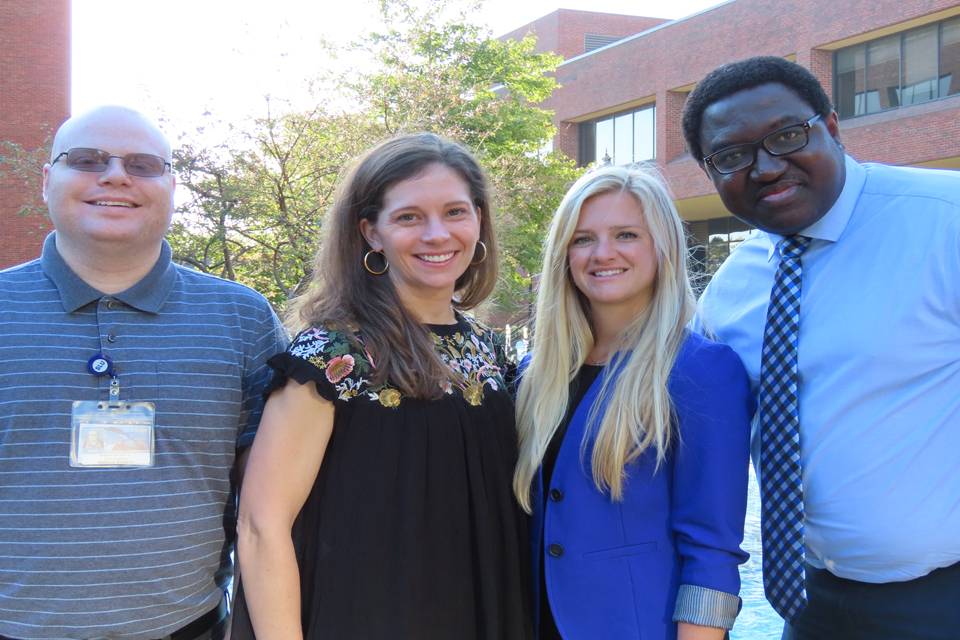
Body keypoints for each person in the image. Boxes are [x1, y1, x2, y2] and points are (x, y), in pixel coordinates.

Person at [684, 55, 960, 639]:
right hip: (809, 605)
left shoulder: (945, 222)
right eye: (732, 156)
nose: (766, 167)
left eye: (786, 136)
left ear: (831, 127)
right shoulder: (729, 291)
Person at [0, 105, 286, 640]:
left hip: (190, 628)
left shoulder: (243, 319)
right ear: (46, 181)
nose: (115, 175)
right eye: (86, 159)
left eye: (143, 164)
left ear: (172, 186)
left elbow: (277, 497)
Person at [236, 133, 534, 640]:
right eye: (409, 217)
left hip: (484, 610)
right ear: (371, 233)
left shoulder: (488, 349)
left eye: (456, 212)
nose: (437, 234)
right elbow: (262, 527)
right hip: (365, 614)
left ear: (479, 221)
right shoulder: (333, 353)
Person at [513, 166, 753, 640]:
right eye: (583, 239)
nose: (603, 253)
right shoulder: (533, 374)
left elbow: (712, 549)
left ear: (662, 247)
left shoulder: (702, 371)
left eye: (626, 234)